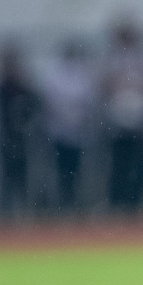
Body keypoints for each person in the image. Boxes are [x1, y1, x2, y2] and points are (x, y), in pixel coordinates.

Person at [101, 20, 143, 213]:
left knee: (139, 164)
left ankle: (135, 204)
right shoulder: (113, 58)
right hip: (118, 120)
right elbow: (105, 85)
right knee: (118, 165)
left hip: (138, 119)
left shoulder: (141, 58)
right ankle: (118, 203)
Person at [38, 40, 94, 213]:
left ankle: (73, 204)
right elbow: (50, 103)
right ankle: (62, 204)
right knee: (61, 170)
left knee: (75, 171)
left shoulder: (81, 74)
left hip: (76, 132)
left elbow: (86, 102)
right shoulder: (56, 75)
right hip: (59, 132)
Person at [0, 43, 40, 219]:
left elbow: (34, 105)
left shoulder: (23, 87)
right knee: (6, 181)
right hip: (7, 140)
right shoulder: (1, 87)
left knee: (23, 181)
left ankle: (26, 215)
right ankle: (5, 217)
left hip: (21, 141)